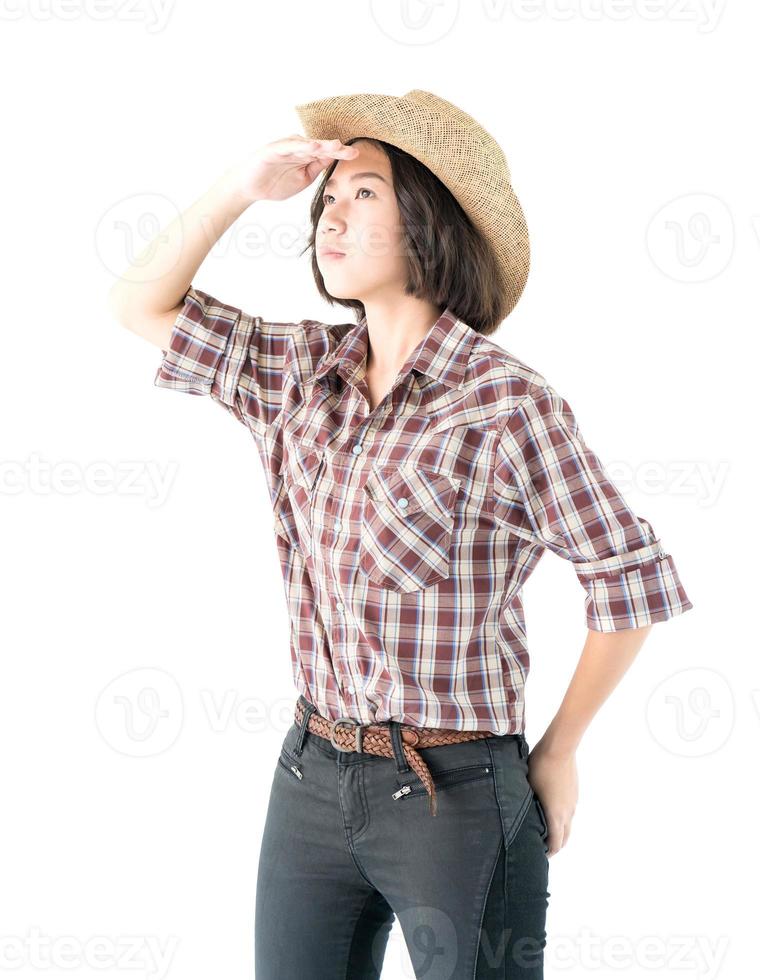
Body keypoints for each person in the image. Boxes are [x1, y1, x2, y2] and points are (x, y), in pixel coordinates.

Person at [108, 90, 693, 979]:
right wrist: (238, 187)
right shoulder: (301, 372)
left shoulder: (504, 403)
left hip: (454, 798)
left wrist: (560, 750)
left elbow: (630, 577)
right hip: (307, 777)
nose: (331, 217)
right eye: (327, 202)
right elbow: (139, 306)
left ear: (429, 220)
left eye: (365, 194)